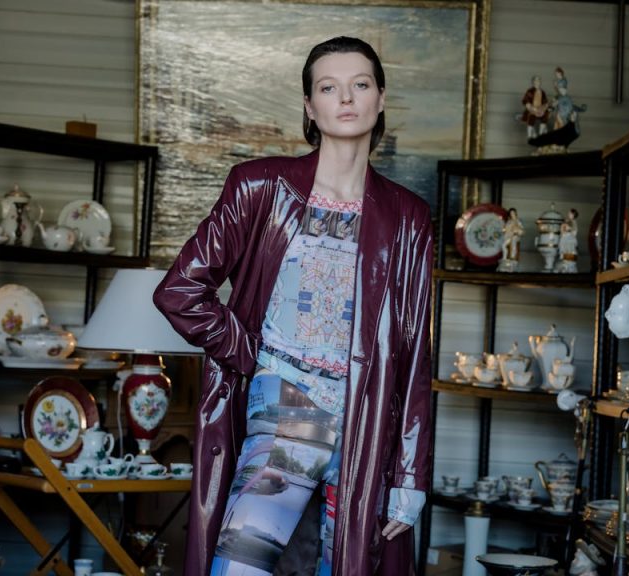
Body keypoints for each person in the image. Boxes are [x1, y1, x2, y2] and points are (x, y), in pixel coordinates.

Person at [153, 36, 432, 576]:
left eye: (361, 85)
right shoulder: (259, 185)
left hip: (365, 417)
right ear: (310, 106)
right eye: (329, 87)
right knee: (242, 565)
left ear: (380, 100)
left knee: (345, 565)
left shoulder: (408, 216)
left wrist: (410, 474)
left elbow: (415, 352)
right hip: (288, 406)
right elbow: (180, 291)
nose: (346, 98)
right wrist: (252, 353)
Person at [520, 75, 549, 140]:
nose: (537, 82)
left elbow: (545, 102)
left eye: (539, 80)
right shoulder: (530, 91)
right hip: (532, 109)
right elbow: (525, 100)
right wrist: (531, 107)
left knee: (545, 116)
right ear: (533, 82)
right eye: (536, 80)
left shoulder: (543, 92)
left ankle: (541, 134)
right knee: (531, 118)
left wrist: (543, 108)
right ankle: (530, 135)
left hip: (540, 110)